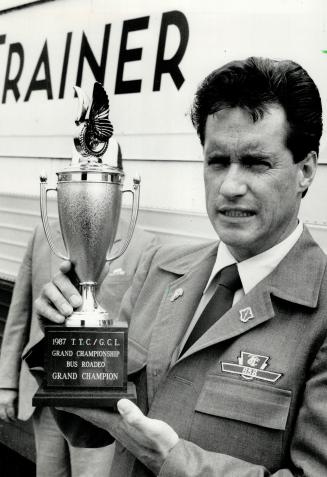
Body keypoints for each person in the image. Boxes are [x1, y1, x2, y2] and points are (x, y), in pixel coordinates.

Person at [34, 57, 327, 476]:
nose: (230, 186)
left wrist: (169, 459)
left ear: (306, 171)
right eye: (217, 161)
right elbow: (96, 430)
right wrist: (68, 342)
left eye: (257, 163)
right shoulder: (163, 268)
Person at [0, 218, 158, 477]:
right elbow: (20, 309)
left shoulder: (141, 243)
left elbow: (137, 326)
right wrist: (5, 383)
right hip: (45, 389)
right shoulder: (43, 233)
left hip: (96, 401)